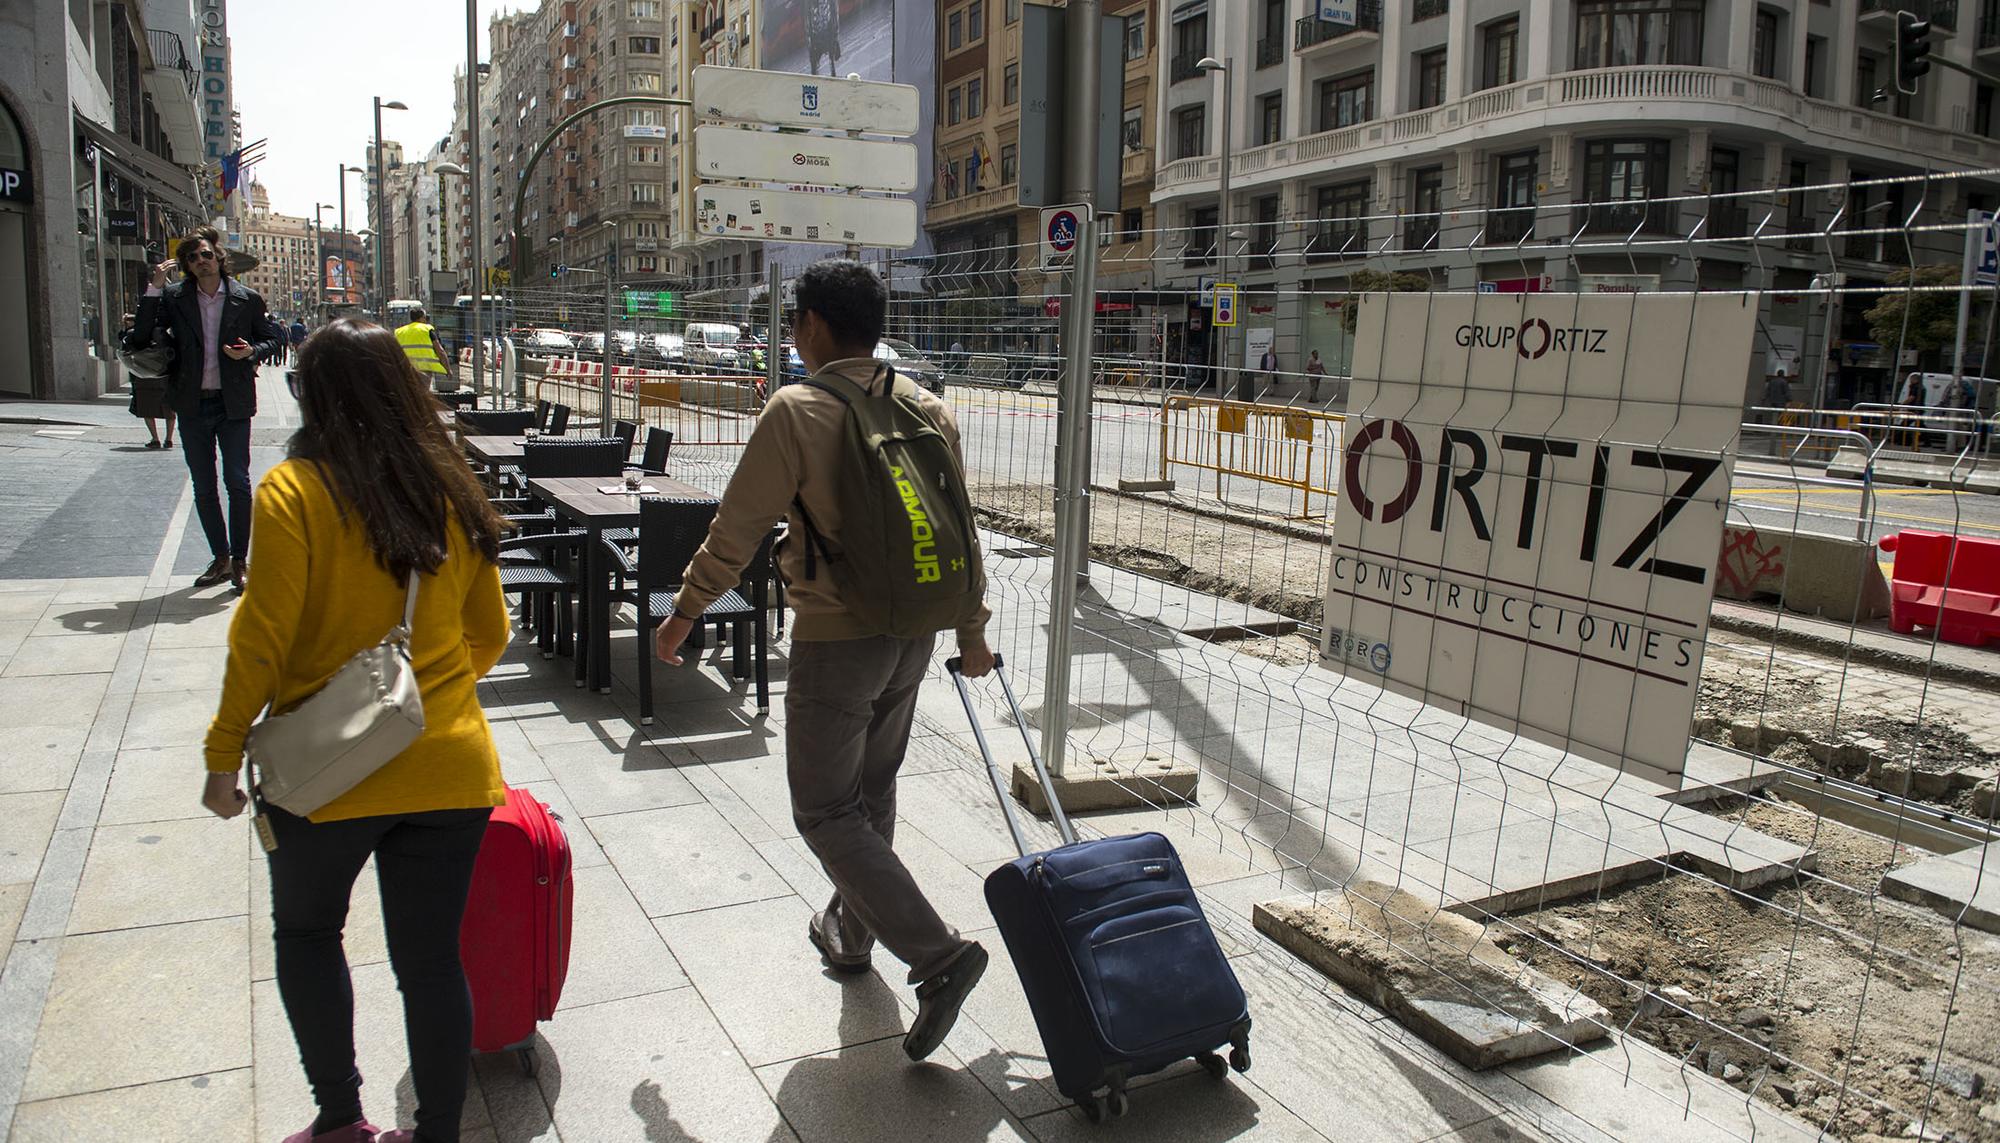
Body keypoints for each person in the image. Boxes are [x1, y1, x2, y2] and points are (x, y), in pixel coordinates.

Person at [655, 258, 993, 1063]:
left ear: (810, 325)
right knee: (870, 793)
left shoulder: (797, 408)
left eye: (792, 323)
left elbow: (736, 530)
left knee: (823, 808)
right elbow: (961, 530)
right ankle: (849, 928)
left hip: (839, 637)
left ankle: (938, 953)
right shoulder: (927, 406)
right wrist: (972, 630)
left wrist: (683, 614)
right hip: (914, 630)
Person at [199, 318, 511, 1143]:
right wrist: (421, 697)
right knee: (433, 962)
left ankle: (341, 1117)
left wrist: (222, 755)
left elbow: (261, 639)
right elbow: (492, 635)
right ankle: (438, 1132)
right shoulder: (454, 484)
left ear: (313, 395)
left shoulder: (294, 491)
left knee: (307, 933)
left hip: (323, 770)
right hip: (450, 765)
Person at [132, 233, 281, 591]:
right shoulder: (174, 297)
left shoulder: (246, 299)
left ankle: (240, 560)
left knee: (238, 482)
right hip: (191, 404)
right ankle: (220, 558)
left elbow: (274, 339)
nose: (202, 261)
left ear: (218, 258)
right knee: (203, 486)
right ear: (187, 265)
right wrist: (154, 288)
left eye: (207, 255)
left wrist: (252, 351)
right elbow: (140, 335)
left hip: (233, 404)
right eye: (194, 257)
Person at [120, 311, 176, 448]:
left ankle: (155, 438)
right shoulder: (165, 334)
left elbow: (125, 348)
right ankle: (168, 439)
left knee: (147, 408)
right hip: (164, 374)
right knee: (169, 409)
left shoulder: (134, 334)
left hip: (143, 375)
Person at [394, 307, 459, 393]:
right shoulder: (427, 329)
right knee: (423, 395)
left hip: (406, 369)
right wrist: (448, 369)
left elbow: (393, 351)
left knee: (409, 394)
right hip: (424, 369)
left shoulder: (399, 331)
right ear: (422, 318)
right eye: (425, 317)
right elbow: (440, 350)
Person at [805, 0, 841, 75]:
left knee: (831, 66)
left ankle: (832, 77)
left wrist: (836, 40)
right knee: (815, 68)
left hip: (827, 32)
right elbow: (807, 19)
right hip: (816, 35)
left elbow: (834, 13)